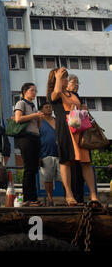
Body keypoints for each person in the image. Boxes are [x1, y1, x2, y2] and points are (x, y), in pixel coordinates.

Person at [47, 67, 100, 207]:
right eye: (63, 77)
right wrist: (58, 77)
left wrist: (83, 110)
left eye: (65, 77)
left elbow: (80, 107)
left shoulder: (73, 94)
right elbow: (56, 92)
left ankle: (93, 195)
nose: (65, 79)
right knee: (66, 161)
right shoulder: (53, 94)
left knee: (86, 162)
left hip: (79, 128)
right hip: (65, 129)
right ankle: (69, 195)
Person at [14, 82, 45, 207]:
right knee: (28, 168)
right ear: (25, 92)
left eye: (35, 90)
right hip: (26, 137)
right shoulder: (21, 103)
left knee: (33, 168)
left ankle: (33, 197)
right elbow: (18, 119)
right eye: (32, 90)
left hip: (35, 137)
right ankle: (28, 198)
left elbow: (37, 125)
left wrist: (39, 119)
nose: (34, 93)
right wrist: (35, 115)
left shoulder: (33, 106)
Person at [66, 74, 86, 204]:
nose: (76, 85)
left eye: (78, 82)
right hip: (70, 133)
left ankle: (80, 196)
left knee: (81, 166)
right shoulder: (65, 96)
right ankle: (72, 196)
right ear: (66, 84)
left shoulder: (78, 97)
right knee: (72, 166)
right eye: (73, 82)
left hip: (80, 133)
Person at [38, 102, 60, 206]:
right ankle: (50, 200)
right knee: (48, 179)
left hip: (60, 153)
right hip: (45, 153)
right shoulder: (39, 122)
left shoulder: (57, 121)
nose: (49, 109)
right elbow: (36, 139)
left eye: (50, 107)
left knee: (64, 178)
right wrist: (38, 156)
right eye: (46, 107)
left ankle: (67, 198)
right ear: (41, 110)